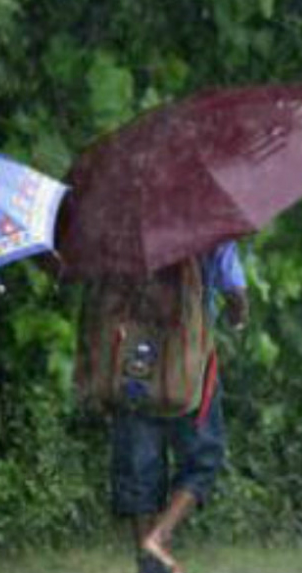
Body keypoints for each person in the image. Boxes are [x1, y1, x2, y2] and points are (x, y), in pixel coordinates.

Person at [87, 241, 248, 573]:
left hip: (131, 365)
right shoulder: (208, 225)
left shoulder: (118, 223)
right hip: (187, 367)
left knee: (137, 470)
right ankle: (159, 538)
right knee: (203, 458)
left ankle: (149, 565)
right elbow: (235, 290)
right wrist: (237, 316)